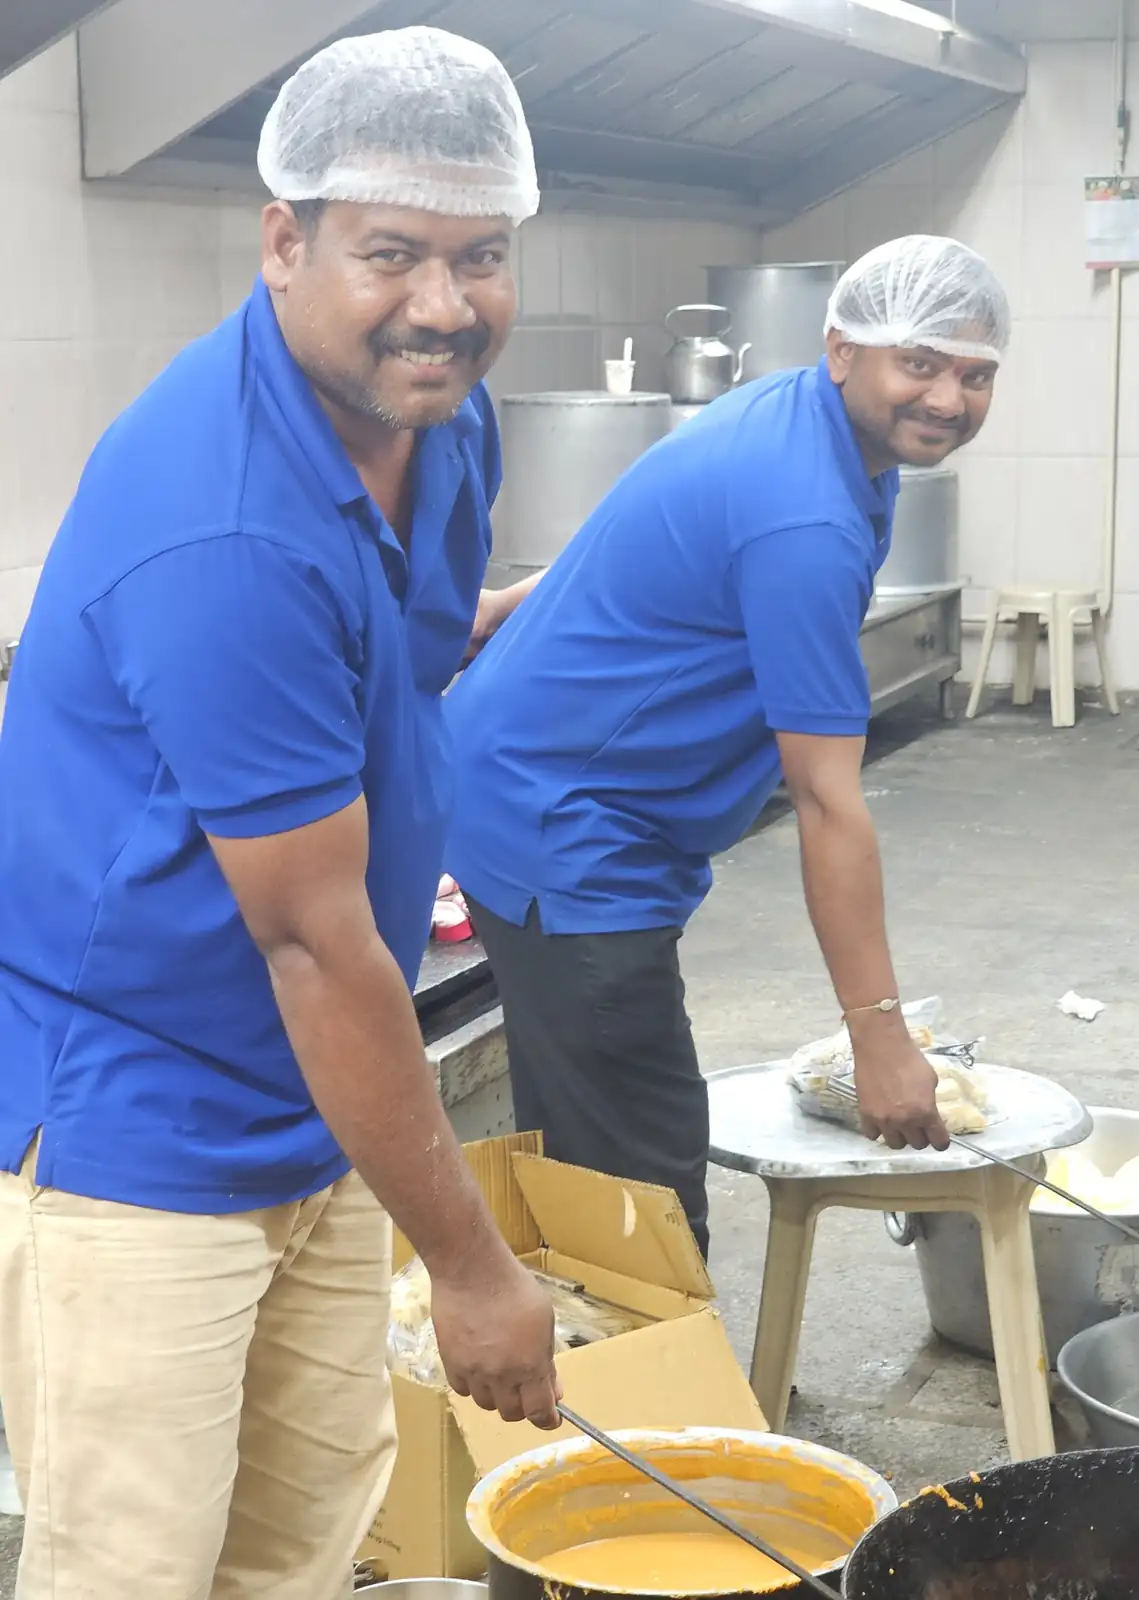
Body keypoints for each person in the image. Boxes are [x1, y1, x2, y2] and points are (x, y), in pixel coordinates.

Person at [0, 27, 558, 1599]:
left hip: (319, 1105)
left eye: (481, 256)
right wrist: (470, 1264)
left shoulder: (435, 414)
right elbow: (315, 948)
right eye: (391, 253)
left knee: (303, 1537)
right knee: (138, 1567)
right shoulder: (223, 524)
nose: (443, 306)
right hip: (141, 1123)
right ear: (283, 242)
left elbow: (412, 629)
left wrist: (503, 618)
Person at [445, 236, 1011, 1259]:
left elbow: (650, 528)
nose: (947, 397)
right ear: (843, 351)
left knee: (591, 1147)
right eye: (918, 364)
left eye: (975, 374)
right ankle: (660, 1404)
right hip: (565, 830)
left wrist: (517, 604)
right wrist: (878, 1037)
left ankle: (590, 1374)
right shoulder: (808, 514)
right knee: (641, 1195)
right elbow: (827, 798)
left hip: (528, 785)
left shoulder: (800, 419)